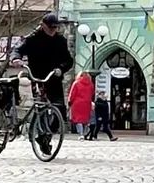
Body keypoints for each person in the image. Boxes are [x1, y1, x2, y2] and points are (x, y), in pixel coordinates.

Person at [13, 13, 74, 155]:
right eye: (50, 28)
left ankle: (47, 135)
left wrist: (61, 68)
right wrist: (16, 58)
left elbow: (68, 60)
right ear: (43, 26)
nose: (53, 30)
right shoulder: (32, 39)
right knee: (40, 107)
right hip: (37, 78)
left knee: (60, 110)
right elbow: (18, 50)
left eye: (55, 28)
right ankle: (41, 135)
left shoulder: (60, 40)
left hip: (54, 78)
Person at [88, 64, 116, 141]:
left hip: (105, 117)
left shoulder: (104, 101)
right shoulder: (98, 102)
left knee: (103, 128)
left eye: (104, 94)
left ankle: (97, 137)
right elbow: (97, 110)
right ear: (99, 95)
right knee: (98, 127)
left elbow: (106, 108)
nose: (104, 95)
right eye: (102, 94)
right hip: (100, 117)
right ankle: (95, 137)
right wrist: (99, 116)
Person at [68, 69, 94, 139]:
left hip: (77, 103)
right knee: (85, 119)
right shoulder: (91, 84)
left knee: (78, 119)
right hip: (87, 103)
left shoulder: (76, 83)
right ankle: (85, 133)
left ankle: (81, 134)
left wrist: (70, 101)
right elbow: (92, 93)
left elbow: (72, 94)